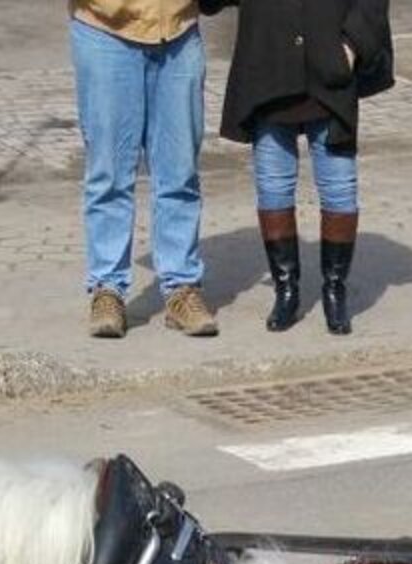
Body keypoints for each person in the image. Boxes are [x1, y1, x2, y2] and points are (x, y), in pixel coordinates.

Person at [213, 0, 393, 335]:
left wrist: (351, 46)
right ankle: (286, 289)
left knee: (339, 188)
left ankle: (334, 289)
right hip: (267, 65)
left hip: (329, 71)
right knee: (273, 184)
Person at [68, 0, 217, 340]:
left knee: (180, 174)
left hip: (179, 32)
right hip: (105, 31)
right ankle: (107, 289)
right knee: (109, 175)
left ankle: (182, 288)